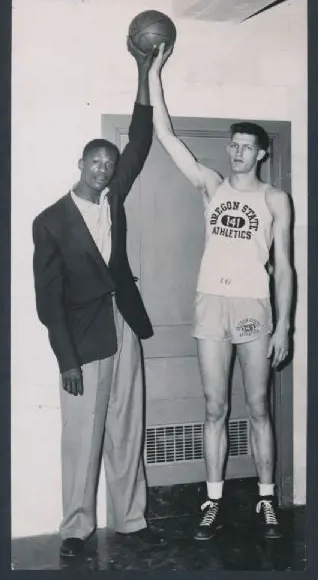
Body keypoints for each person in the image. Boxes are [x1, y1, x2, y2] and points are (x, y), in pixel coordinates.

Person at [148, 44, 293, 541]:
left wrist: (286, 324)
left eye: (246, 146)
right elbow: (166, 136)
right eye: (232, 144)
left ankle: (267, 500)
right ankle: (212, 501)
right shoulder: (211, 186)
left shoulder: (276, 200)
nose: (236, 151)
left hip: (254, 306)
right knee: (214, 408)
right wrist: (153, 71)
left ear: (262, 152)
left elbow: (286, 267)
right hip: (211, 302)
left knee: (257, 406)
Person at [32, 39, 164, 558]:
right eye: (97, 162)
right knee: (81, 436)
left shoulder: (116, 196)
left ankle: (131, 517)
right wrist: (66, 359)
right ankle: (76, 526)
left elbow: (141, 138)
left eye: (110, 164)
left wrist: (143, 70)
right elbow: (48, 300)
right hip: (83, 339)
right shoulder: (51, 221)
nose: (105, 169)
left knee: (127, 425)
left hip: (124, 324)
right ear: (81, 164)